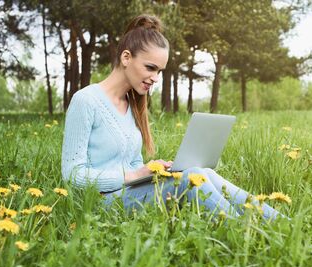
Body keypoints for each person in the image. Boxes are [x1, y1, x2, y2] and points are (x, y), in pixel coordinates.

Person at [61, 14, 283, 220]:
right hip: (100, 203)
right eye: (150, 68)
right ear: (126, 57)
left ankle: (277, 222)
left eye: (159, 71)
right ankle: (247, 232)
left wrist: (152, 171)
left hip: (129, 193)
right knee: (190, 179)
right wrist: (132, 175)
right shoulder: (86, 100)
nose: (155, 78)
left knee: (198, 171)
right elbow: (72, 175)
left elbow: (133, 163)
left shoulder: (131, 106)